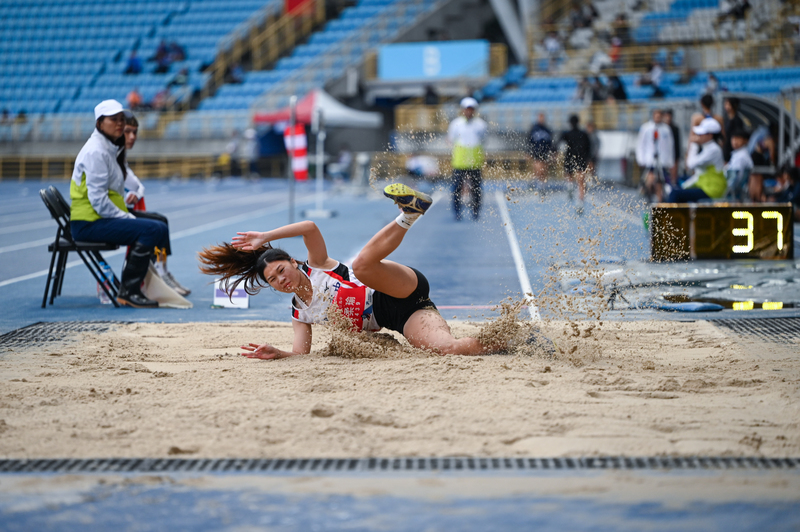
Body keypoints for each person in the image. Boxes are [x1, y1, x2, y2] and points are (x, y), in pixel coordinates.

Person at [197, 183, 555, 359]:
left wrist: (266, 236)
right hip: (406, 311)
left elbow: (309, 226)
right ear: (274, 288)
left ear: (292, 262)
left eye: (280, 269)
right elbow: (301, 355)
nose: (281, 278)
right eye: (274, 280)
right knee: (448, 349)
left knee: (363, 267)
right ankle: (518, 339)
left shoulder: (317, 264)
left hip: (391, 284)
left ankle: (408, 214)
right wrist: (280, 353)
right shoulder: (298, 312)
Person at [69, 100, 169, 308]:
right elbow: (98, 201)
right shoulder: (96, 152)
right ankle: (129, 291)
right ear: (99, 123)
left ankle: (149, 282)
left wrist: (127, 210)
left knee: (158, 225)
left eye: (121, 119)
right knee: (150, 230)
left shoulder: (109, 149)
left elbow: (117, 190)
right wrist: (127, 217)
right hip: (89, 222)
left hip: (99, 217)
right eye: (113, 119)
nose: (120, 124)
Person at [122, 113, 191, 296]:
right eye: (127, 132)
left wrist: (135, 193)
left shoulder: (119, 156)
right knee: (155, 226)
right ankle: (143, 281)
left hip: (117, 211)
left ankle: (162, 272)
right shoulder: (106, 155)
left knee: (161, 221)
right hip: (108, 216)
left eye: (135, 132)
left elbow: (137, 186)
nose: (132, 137)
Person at [666, 117, 727, 203]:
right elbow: (698, 173)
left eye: (700, 134)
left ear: (710, 136)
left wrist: (693, 144)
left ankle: (668, 216)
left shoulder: (713, 149)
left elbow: (690, 164)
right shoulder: (707, 147)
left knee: (675, 194)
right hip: (705, 186)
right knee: (677, 187)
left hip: (712, 190)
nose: (697, 136)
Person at [447, 97, 487, 221]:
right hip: (459, 162)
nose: (469, 111)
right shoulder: (456, 124)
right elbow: (450, 140)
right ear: (463, 110)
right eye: (467, 109)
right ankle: (457, 211)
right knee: (457, 189)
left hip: (475, 163)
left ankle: (476, 211)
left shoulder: (481, 124)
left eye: (471, 109)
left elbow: (483, 140)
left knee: (476, 189)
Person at [636, 108, 675, 203]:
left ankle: (659, 202)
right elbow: (641, 144)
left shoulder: (666, 129)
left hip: (662, 160)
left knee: (659, 183)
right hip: (649, 160)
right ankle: (647, 198)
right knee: (649, 180)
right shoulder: (646, 128)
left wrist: (670, 161)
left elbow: (670, 146)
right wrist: (641, 159)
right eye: (656, 115)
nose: (657, 117)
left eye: (659, 116)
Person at [559, 114, 592, 213]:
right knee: (581, 181)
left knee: (568, 175)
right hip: (581, 159)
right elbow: (589, 149)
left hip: (570, 158)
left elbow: (560, 144)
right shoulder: (584, 134)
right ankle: (580, 203)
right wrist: (588, 160)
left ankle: (569, 187)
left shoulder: (566, 134)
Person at [724, 128, 753, 201]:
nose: (734, 142)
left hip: (734, 194)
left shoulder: (741, 156)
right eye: (733, 139)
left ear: (746, 141)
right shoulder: (738, 154)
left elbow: (734, 179)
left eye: (738, 139)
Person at [527, 113, 555, 182]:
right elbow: (529, 141)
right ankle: (535, 183)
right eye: (540, 117)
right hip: (536, 151)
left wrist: (553, 153)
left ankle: (542, 185)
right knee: (538, 169)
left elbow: (551, 143)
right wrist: (528, 152)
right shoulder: (534, 129)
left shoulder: (547, 130)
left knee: (544, 170)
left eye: (542, 118)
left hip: (545, 151)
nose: (541, 119)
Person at [722, 97, 745, 162]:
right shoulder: (726, 119)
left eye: (728, 104)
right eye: (725, 104)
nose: (726, 106)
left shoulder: (737, 120)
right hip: (726, 147)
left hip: (733, 148)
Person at [662, 109, 681, 185]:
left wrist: (677, 156)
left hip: (673, 154)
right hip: (663, 155)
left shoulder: (675, 129)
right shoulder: (661, 129)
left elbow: (677, 144)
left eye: (669, 116)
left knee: (673, 173)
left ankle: (673, 186)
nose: (668, 118)